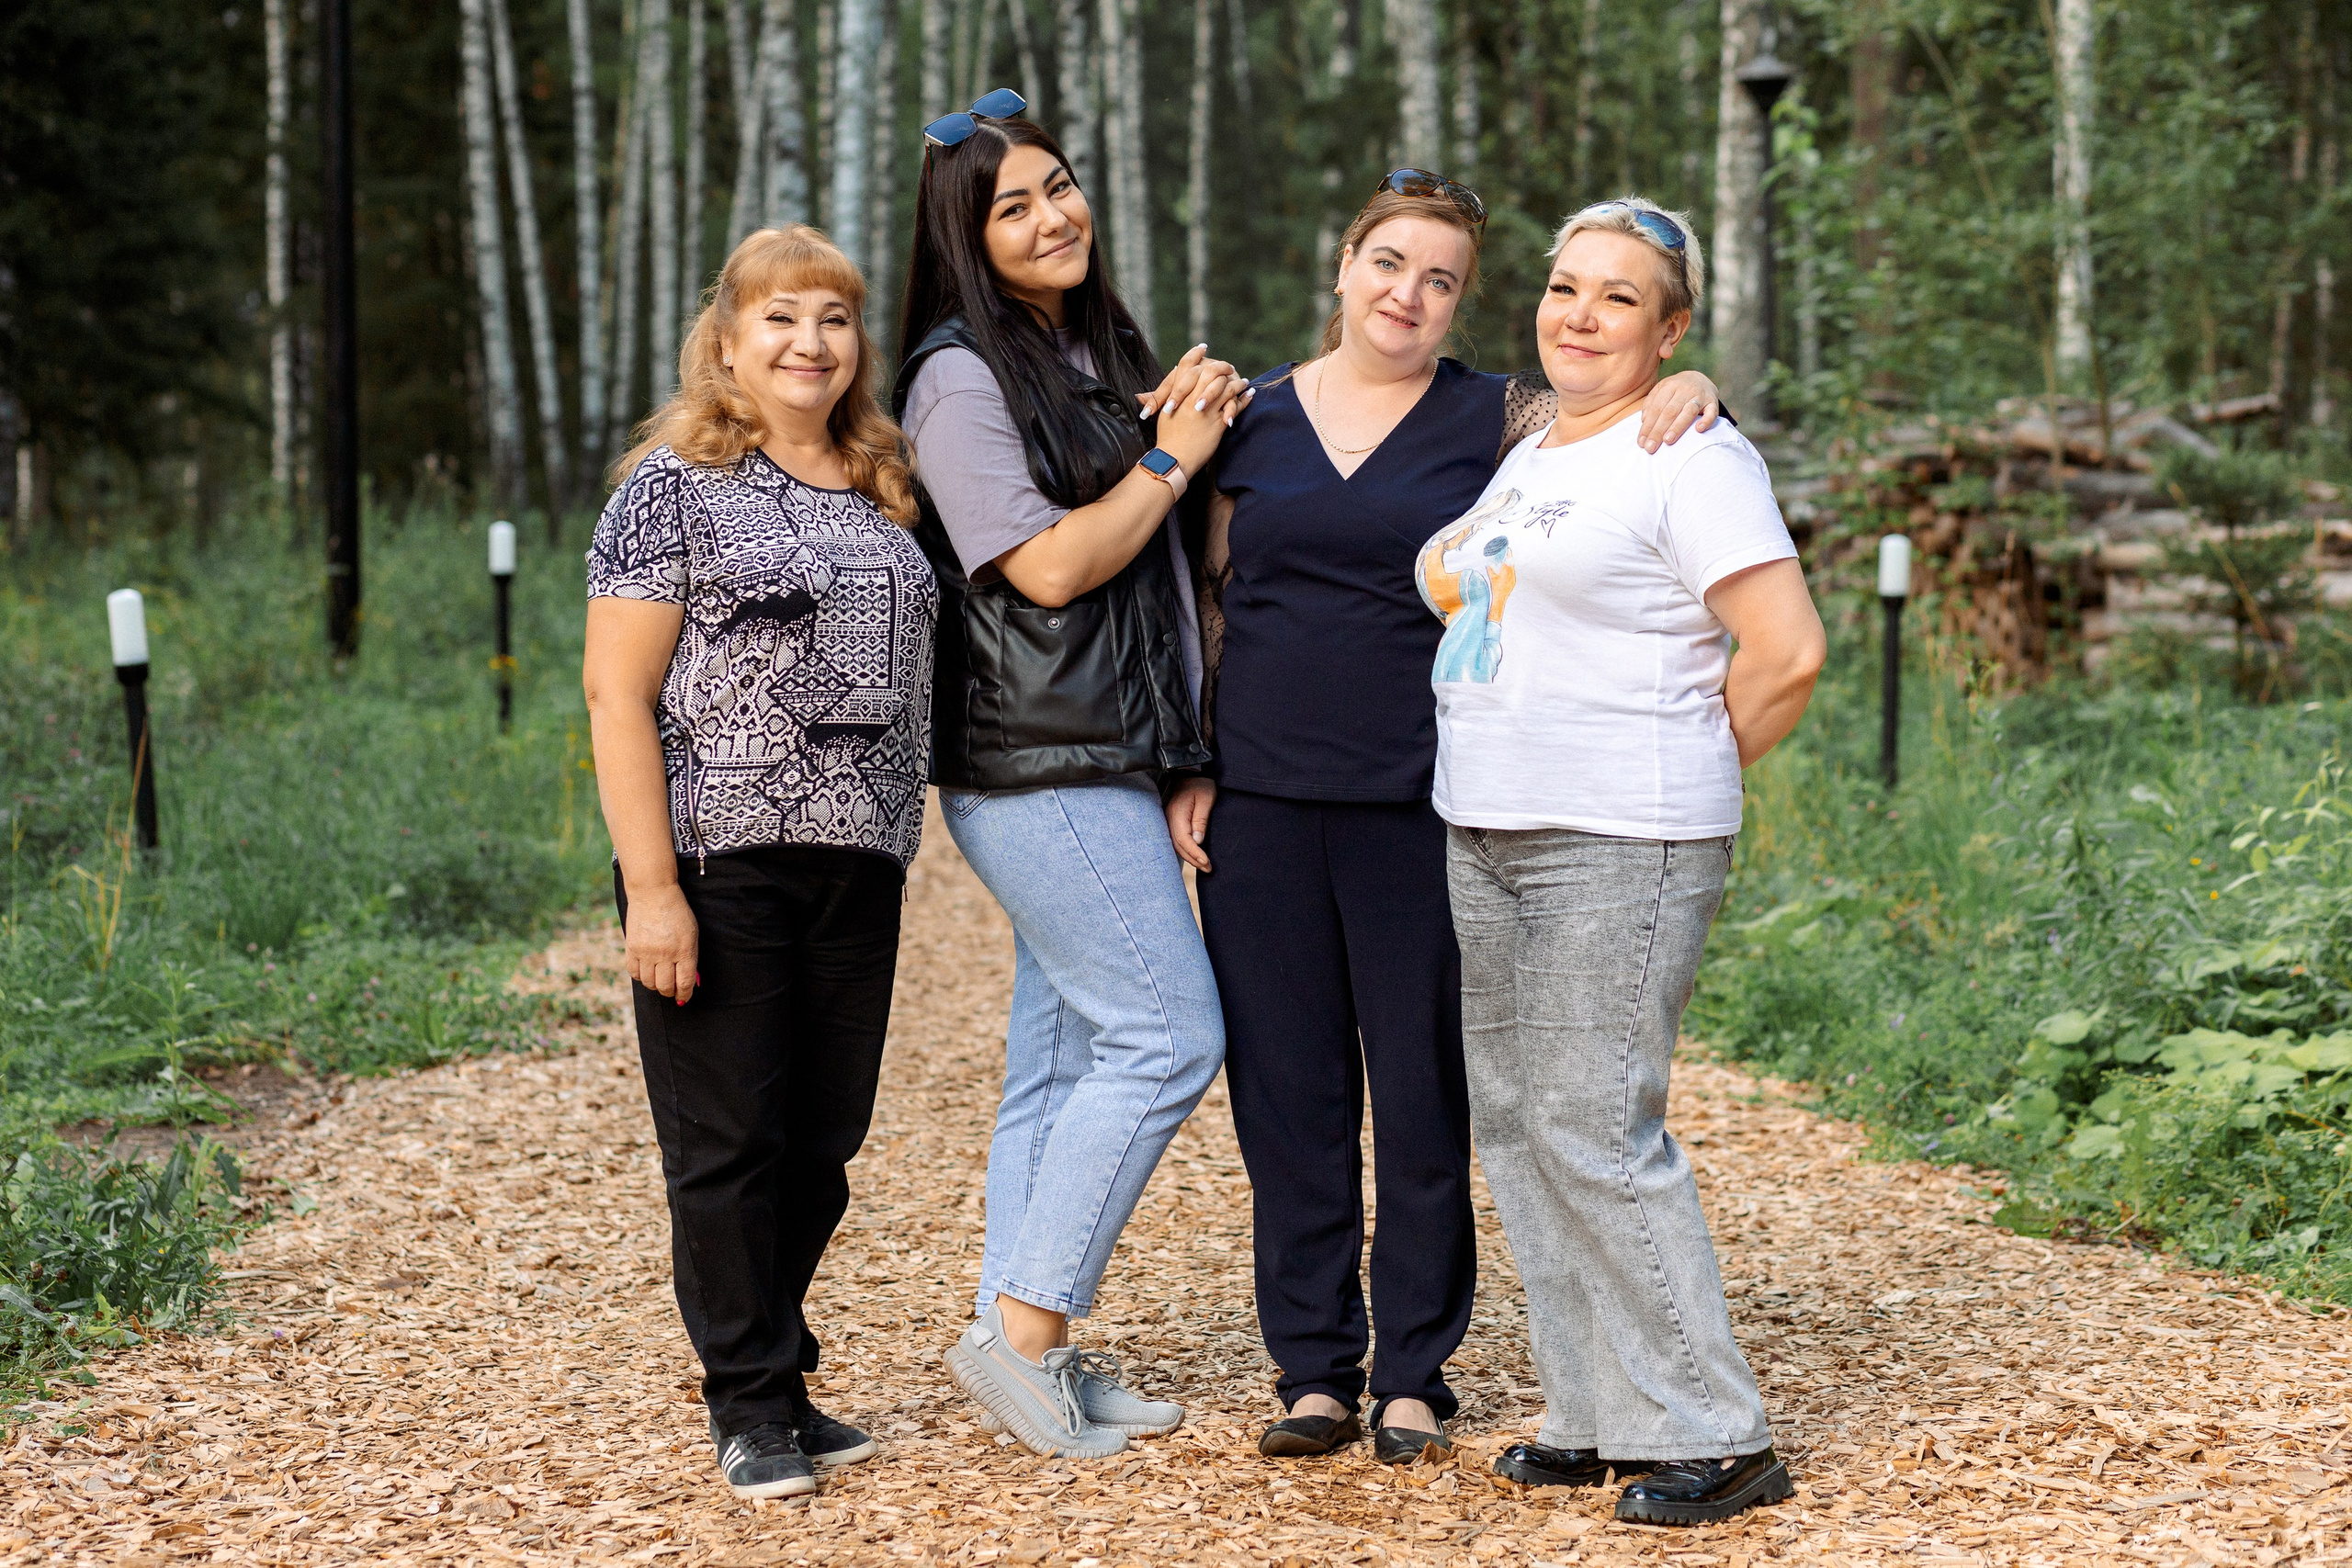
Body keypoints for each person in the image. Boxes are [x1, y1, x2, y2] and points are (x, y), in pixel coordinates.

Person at [1162, 171, 1725, 1465]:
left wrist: (1702, 390)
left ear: (1462, 302)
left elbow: (1629, 411)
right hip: (1257, 802)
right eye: (1388, 264)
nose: (1407, 295)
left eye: (1441, 280)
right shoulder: (1246, 418)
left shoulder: (1500, 419)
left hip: (1427, 805)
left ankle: (1415, 1371)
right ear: (1345, 263)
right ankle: (1312, 1368)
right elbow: (1195, 601)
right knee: (1289, 1097)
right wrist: (1187, 759)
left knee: (1425, 1094)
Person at [1419, 197, 1826, 1525]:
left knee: (1599, 1123)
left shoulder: (1692, 453)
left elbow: (1788, 651)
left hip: (1619, 836)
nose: (1580, 314)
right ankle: (1596, 1409)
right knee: (1526, 1129)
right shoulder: (1539, 441)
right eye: (1565, 288)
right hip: (1487, 823)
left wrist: (1681, 776)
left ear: (1670, 329)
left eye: (1619, 297)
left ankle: (1718, 1429)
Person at [890, 92, 1249, 1461]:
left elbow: (1158, 566)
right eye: (1014, 205)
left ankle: (1020, 1344)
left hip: (1104, 755)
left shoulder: (1087, 350)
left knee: (1062, 1058)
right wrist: (1171, 455)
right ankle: (1023, 1335)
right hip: (1034, 764)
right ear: (967, 238)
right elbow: (1045, 566)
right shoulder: (956, 375)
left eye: (1060, 186)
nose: (1054, 218)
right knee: (1168, 1036)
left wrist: (1187, 416)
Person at [582, 226, 936, 1502]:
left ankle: (779, 1372)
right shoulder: (671, 485)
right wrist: (655, 888)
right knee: (727, 1144)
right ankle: (746, 1401)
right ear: (727, 340)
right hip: (719, 856)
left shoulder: (882, 480)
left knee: (820, 1142)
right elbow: (615, 698)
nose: (810, 344)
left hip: (862, 855)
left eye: (833, 320)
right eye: (782, 319)